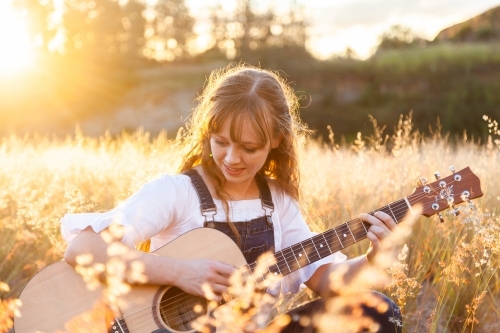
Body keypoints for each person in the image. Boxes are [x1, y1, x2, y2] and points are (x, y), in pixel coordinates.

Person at [62, 64, 402, 333]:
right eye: (220, 141)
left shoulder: (279, 203)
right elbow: (83, 250)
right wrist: (180, 272)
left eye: (248, 147)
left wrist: (373, 258)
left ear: (276, 140)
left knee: (378, 310)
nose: (231, 158)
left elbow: (325, 279)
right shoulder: (176, 192)